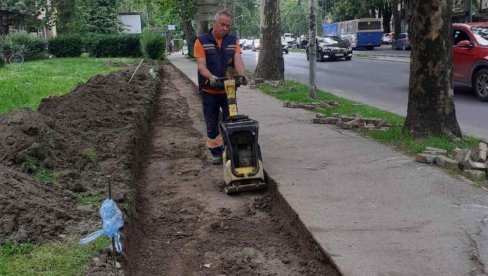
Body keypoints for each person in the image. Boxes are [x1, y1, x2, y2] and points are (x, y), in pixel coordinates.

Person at [194, 9, 247, 165]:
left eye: (228, 26)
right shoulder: (201, 41)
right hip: (209, 91)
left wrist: (241, 75)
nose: (225, 28)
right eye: (222, 25)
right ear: (214, 23)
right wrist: (210, 77)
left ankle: (230, 149)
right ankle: (216, 152)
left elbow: (237, 60)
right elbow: (201, 66)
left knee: (231, 119)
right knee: (211, 122)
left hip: (228, 90)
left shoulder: (232, 40)